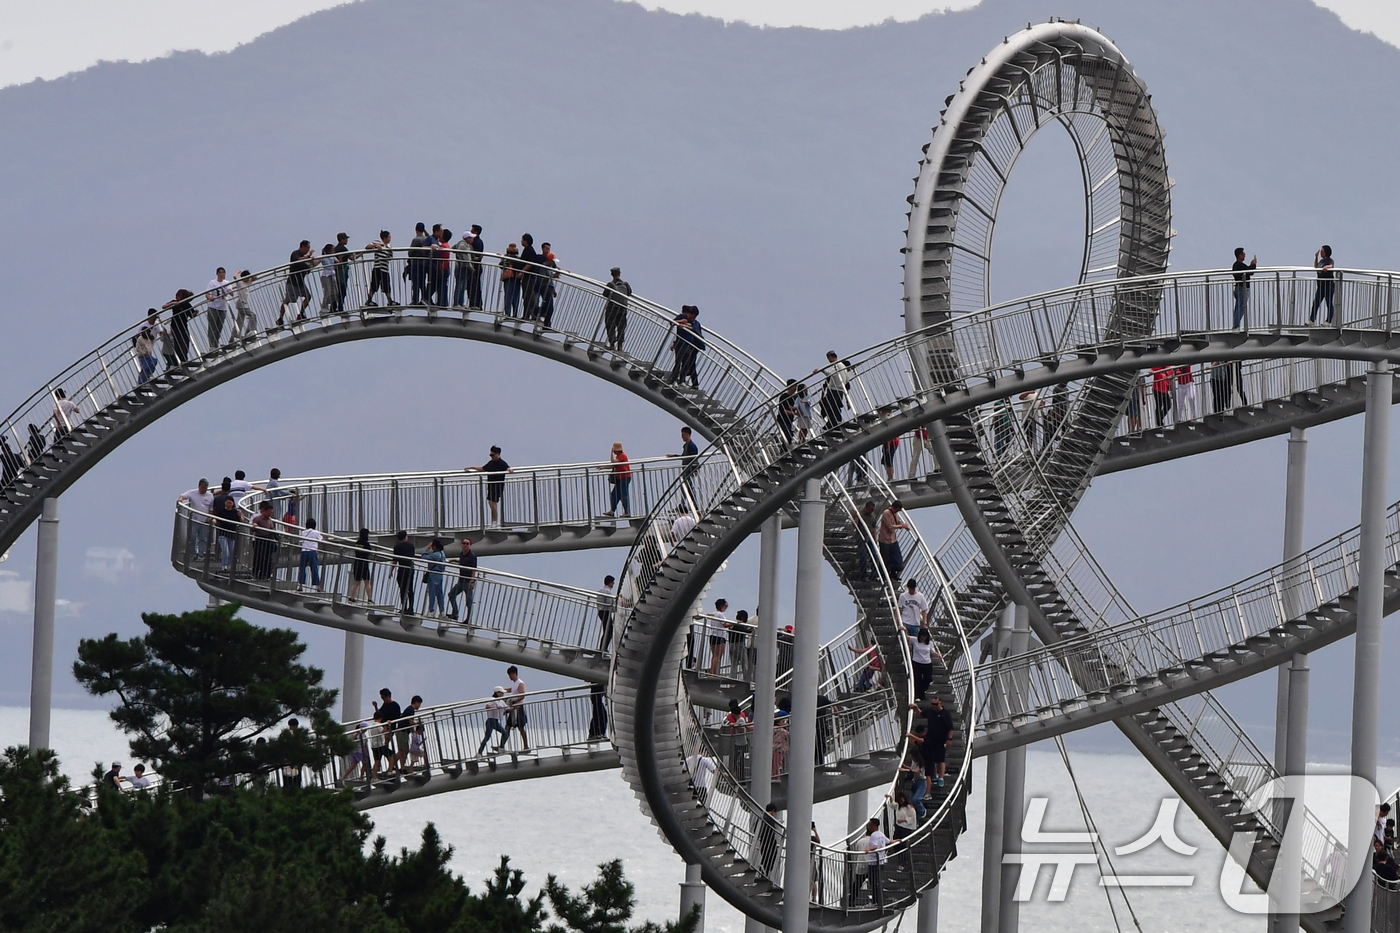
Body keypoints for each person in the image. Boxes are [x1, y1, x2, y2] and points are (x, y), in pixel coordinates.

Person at [912, 694, 955, 788]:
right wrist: (916, 708)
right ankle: (934, 774)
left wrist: (949, 739)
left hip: (941, 739)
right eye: (933, 704)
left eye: (936, 704)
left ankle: (941, 777)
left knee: (940, 759)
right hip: (931, 738)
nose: (934, 706)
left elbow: (950, 728)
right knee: (931, 758)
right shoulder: (931, 711)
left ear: (940, 703)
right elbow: (921, 714)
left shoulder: (945, 714)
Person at [467, 446, 513, 526]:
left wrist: (509, 469)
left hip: (498, 486)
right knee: (491, 502)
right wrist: (472, 467)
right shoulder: (491, 463)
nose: (491, 457)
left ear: (498, 454)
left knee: (492, 503)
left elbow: (507, 467)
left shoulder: (502, 463)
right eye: (490, 455)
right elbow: (483, 468)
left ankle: (495, 522)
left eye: (493, 455)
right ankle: (494, 521)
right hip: (491, 486)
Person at [278, 240, 314, 325]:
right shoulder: (296, 253)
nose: (308, 249)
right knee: (287, 300)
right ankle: (280, 318)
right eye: (307, 248)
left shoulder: (305, 258)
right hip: (292, 283)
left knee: (308, 296)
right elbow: (297, 260)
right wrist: (308, 256)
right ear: (303, 247)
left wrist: (314, 260)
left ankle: (301, 313)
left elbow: (310, 266)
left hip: (300, 283)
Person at [668, 304, 704, 387]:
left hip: (689, 345)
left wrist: (684, 326)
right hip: (680, 344)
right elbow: (672, 322)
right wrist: (680, 321)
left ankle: (682, 380)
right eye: (693, 316)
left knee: (686, 364)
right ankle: (673, 380)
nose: (693, 318)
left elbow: (694, 328)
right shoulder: (682, 316)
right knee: (678, 362)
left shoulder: (694, 322)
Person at [178, 478, 214, 558]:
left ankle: (201, 554)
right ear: (199, 486)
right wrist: (181, 499)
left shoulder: (210, 496)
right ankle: (192, 553)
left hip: (204, 521)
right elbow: (183, 495)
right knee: (192, 537)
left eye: (205, 487)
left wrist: (209, 517)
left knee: (202, 538)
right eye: (202, 487)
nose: (204, 489)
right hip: (194, 519)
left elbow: (211, 508)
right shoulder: (192, 493)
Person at [363, 231, 398, 308]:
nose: (390, 239)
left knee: (387, 285)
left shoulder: (389, 246)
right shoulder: (377, 242)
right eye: (389, 237)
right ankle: (369, 300)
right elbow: (367, 246)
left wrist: (389, 250)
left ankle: (389, 300)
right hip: (377, 268)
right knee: (374, 285)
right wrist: (376, 245)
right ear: (385, 238)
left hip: (385, 269)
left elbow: (390, 258)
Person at [666, 425, 700, 505]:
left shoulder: (692, 446)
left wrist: (695, 469)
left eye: (682, 434)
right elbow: (684, 457)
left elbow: (694, 458)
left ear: (687, 434)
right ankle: (684, 504)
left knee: (688, 488)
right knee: (686, 487)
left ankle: (692, 505)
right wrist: (674, 455)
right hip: (686, 470)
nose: (682, 437)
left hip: (689, 470)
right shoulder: (686, 446)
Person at [210, 487, 242, 569]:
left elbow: (240, 521)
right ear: (225, 503)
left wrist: (240, 515)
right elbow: (216, 518)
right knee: (225, 551)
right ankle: (224, 566)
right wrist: (214, 521)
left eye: (230, 503)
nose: (229, 504)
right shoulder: (221, 511)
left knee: (231, 551)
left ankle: (229, 565)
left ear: (233, 504)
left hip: (232, 534)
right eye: (227, 503)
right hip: (223, 534)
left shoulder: (235, 512)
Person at [372, 689, 403, 775]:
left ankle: (389, 766)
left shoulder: (395, 706)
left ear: (387, 696)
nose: (382, 699)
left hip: (389, 729)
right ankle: (388, 766)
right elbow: (379, 714)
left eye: (383, 697)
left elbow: (398, 718)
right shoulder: (385, 705)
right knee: (383, 748)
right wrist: (375, 707)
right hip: (382, 728)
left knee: (384, 747)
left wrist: (390, 722)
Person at [447, 536, 477, 622]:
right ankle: (455, 614)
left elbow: (474, 569)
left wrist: (472, 581)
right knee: (451, 595)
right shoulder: (462, 554)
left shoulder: (472, 556)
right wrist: (454, 560)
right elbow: (462, 561)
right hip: (461, 581)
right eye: (464, 543)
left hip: (468, 582)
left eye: (467, 544)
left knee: (469, 602)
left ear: (470, 545)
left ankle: (468, 619)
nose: (465, 545)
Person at [816, 350, 848, 428]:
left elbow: (831, 374)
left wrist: (822, 370)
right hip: (841, 390)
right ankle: (837, 421)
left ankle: (832, 422)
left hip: (834, 389)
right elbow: (847, 379)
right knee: (836, 407)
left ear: (830, 357)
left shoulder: (836, 365)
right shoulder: (843, 366)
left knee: (829, 406)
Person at [162, 289, 196, 363]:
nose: (176, 297)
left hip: (183, 326)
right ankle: (182, 359)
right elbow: (164, 306)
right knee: (178, 343)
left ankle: (184, 358)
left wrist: (195, 313)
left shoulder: (186, 304)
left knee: (186, 342)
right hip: (175, 327)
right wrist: (173, 304)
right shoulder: (174, 302)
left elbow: (191, 314)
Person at [877, 501, 908, 579]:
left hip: (893, 540)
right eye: (897, 510)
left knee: (898, 561)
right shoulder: (886, 513)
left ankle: (893, 573)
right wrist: (901, 525)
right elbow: (890, 527)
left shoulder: (895, 514)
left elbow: (897, 522)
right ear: (894, 508)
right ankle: (884, 576)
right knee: (885, 560)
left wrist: (902, 525)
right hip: (885, 540)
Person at [603, 266, 632, 350]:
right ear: (620, 274)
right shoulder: (625, 284)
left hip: (612, 308)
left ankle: (612, 344)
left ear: (611, 275)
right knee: (621, 327)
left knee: (610, 325)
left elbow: (605, 294)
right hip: (622, 308)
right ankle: (620, 345)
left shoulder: (610, 284)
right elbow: (629, 293)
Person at [909, 627, 939, 704]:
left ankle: (921, 692)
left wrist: (938, 655)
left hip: (927, 663)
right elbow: (906, 637)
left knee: (928, 678)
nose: (923, 638)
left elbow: (932, 652)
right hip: (916, 662)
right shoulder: (915, 640)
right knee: (918, 679)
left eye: (925, 637)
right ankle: (919, 696)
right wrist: (905, 630)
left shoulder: (930, 643)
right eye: (922, 637)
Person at [724, 698, 752, 783]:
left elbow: (741, 730)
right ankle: (740, 777)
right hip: (741, 742)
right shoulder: (742, 718)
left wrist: (734, 725)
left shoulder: (740, 720)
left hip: (740, 743)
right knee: (739, 761)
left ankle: (740, 778)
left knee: (739, 761)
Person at [250, 501, 279, 579]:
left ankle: (265, 575)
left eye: (271, 513)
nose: (270, 514)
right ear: (264, 511)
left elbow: (273, 531)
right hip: (260, 540)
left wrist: (278, 539)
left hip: (268, 540)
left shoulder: (270, 521)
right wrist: (254, 526)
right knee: (259, 558)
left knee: (268, 558)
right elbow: (252, 529)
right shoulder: (258, 519)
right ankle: (255, 573)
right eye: (269, 512)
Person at [205, 267, 233, 348]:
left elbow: (229, 290)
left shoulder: (226, 282)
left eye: (223, 272)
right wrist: (210, 298)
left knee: (219, 327)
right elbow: (207, 293)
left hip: (222, 308)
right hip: (213, 307)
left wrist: (230, 292)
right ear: (217, 274)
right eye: (220, 272)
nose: (222, 274)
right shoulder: (212, 283)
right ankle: (212, 345)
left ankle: (215, 344)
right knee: (212, 327)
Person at [865, 817, 889, 908]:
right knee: (877, 882)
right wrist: (897, 841)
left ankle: (875, 901)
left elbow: (874, 846)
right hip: (881, 862)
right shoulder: (881, 834)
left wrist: (868, 849)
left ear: (874, 825)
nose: (868, 826)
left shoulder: (874, 835)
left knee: (873, 882)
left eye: (870, 825)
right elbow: (888, 841)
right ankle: (879, 900)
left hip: (874, 862)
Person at [505, 665, 530, 751]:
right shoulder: (515, 683)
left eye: (510, 675)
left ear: (514, 673)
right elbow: (511, 689)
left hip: (518, 708)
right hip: (513, 708)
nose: (509, 677)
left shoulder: (520, 683)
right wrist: (502, 690)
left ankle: (526, 746)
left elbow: (522, 695)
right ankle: (502, 745)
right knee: (507, 726)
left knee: (521, 727)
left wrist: (513, 701)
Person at [1231, 247, 1257, 329]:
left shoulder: (1236, 265)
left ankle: (1236, 324)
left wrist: (1251, 266)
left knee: (1238, 307)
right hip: (1243, 288)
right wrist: (1253, 265)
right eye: (1243, 254)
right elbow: (1250, 272)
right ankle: (1236, 326)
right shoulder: (1239, 265)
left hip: (1238, 288)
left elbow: (1248, 271)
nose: (1244, 255)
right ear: (1239, 255)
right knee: (1241, 307)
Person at [1310, 245, 1337, 324]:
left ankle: (1328, 321)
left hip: (1328, 285)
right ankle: (1312, 320)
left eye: (1322, 251)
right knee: (1316, 302)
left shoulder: (1329, 260)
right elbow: (1316, 266)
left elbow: (1331, 265)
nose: (1321, 253)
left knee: (1329, 303)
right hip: (1321, 286)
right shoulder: (1321, 261)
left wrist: (1327, 267)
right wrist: (1316, 257)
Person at [605, 441, 631, 518]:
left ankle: (627, 512)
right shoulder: (619, 457)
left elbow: (613, 462)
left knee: (623, 494)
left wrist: (611, 453)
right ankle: (612, 510)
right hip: (620, 478)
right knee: (614, 494)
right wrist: (603, 467)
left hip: (624, 477)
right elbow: (614, 465)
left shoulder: (622, 456)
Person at [396, 695, 423, 770]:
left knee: (404, 750)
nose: (419, 706)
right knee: (403, 750)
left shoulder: (409, 709)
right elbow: (410, 721)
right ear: (417, 702)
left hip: (403, 732)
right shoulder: (411, 710)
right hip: (402, 731)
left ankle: (398, 764)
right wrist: (417, 724)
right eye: (419, 704)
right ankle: (399, 765)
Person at [479, 686, 509, 754]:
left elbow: (507, 708)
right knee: (487, 737)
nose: (502, 694)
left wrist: (515, 708)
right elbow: (487, 706)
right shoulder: (493, 699)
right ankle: (479, 752)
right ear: (497, 693)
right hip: (490, 721)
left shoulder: (501, 701)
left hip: (496, 721)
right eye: (501, 693)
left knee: (505, 733)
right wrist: (495, 707)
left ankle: (501, 747)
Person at [392, 531, 416, 614]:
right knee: (410, 589)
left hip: (402, 569)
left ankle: (404, 607)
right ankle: (411, 608)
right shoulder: (411, 546)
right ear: (406, 537)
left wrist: (391, 570)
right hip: (410, 568)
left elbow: (394, 561)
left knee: (402, 589)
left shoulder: (397, 547)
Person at [408, 223, 432, 305]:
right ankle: (424, 298)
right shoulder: (427, 239)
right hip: (424, 262)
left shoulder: (416, 240)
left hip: (416, 262)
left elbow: (410, 252)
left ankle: (415, 300)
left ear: (416, 229)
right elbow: (430, 238)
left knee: (415, 282)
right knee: (422, 282)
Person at [899, 747, 927, 819]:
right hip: (915, 782)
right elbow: (912, 769)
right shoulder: (913, 761)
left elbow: (916, 771)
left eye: (912, 756)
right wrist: (905, 766)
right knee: (911, 802)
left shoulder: (921, 763)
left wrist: (904, 769)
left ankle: (923, 811)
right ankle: (915, 816)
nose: (912, 758)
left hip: (921, 783)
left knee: (916, 799)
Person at [519, 234, 542, 320]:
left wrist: (522, 272)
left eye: (522, 239)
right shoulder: (527, 250)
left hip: (528, 277)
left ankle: (530, 314)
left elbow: (530, 264)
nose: (521, 241)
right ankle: (529, 314)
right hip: (528, 277)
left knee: (528, 296)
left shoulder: (529, 250)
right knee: (527, 296)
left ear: (526, 241)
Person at [134, 313, 161, 384]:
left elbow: (150, 346)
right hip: (142, 356)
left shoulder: (149, 339)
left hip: (148, 355)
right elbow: (138, 348)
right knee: (145, 367)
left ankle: (149, 374)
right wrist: (144, 353)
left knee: (154, 362)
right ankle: (141, 382)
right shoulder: (140, 339)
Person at [423, 538, 447, 616]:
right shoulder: (442, 554)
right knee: (440, 593)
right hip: (440, 574)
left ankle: (431, 610)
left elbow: (424, 557)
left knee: (432, 592)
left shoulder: (435, 555)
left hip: (434, 574)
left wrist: (427, 549)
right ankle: (442, 611)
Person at [349, 527, 374, 603]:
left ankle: (351, 597)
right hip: (364, 563)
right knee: (367, 582)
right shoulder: (366, 544)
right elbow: (369, 552)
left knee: (356, 582)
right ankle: (369, 599)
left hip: (357, 563)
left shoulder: (357, 543)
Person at [298, 518, 323, 590]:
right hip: (312, 552)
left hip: (304, 551)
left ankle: (301, 586)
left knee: (302, 568)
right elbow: (320, 539)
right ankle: (318, 586)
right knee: (314, 568)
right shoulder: (316, 532)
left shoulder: (303, 532)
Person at [464, 224, 485, 309]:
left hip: (475, 267)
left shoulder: (477, 242)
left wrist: (472, 259)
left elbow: (478, 256)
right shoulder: (478, 241)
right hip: (475, 267)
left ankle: (475, 303)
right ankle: (476, 303)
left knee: (473, 286)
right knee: (474, 285)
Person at [757, 802, 781, 875]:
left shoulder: (762, 817)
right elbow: (772, 829)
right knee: (772, 856)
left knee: (765, 856)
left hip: (762, 840)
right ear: (773, 810)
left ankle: (764, 871)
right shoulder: (769, 819)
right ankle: (765, 871)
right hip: (769, 841)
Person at [706, 598, 729, 675]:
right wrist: (735, 623)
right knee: (718, 655)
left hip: (713, 635)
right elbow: (725, 624)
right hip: (720, 636)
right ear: (722, 606)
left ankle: (712, 671)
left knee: (714, 656)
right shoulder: (720, 614)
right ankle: (714, 673)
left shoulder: (714, 614)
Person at [431, 228, 453, 307]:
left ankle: (441, 302)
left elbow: (438, 251)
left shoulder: (443, 246)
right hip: (446, 267)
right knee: (444, 285)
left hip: (442, 268)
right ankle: (444, 302)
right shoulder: (447, 245)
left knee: (441, 286)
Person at [538, 245, 558, 326]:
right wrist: (552, 276)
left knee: (549, 306)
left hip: (549, 287)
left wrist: (553, 290)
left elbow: (550, 281)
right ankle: (545, 322)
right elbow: (543, 278)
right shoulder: (544, 267)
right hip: (544, 287)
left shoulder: (550, 268)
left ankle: (546, 322)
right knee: (548, 306)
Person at [500, 243, 522, 316]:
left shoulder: (506, 258)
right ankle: (515, 313)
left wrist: (502, 259)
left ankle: (507, 313)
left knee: (508, 296)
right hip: (517, 278)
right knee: (516, 296)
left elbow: (501, 265)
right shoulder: (519, 259)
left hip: (508, 278)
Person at [597, 574, 617, 652]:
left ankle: (602, 647)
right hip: (606, 612)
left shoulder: (600, 590)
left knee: (606, 630)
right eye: (613, 582)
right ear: (610, 583)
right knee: (609, 631)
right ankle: (604, 648)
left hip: (600, 611)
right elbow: (610, 604)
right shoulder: (607, 592)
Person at [318, 244, 338, 315]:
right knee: (327, 292)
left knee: (335, 292)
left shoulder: (333, 257)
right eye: (333, 250)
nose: (334, 251)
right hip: (326, 276)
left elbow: (338, 262)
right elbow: (316, 262)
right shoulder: (323, 257)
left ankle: (332, 305)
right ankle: (324, 307)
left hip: (332, 275)